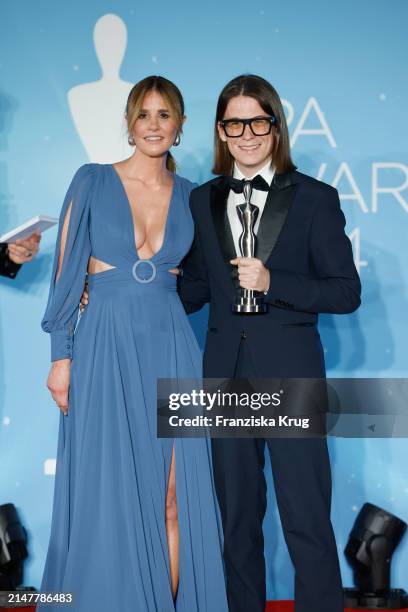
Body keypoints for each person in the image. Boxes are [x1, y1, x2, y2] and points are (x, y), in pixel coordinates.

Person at [39, 76, 228, 612]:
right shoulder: (93, 180)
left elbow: (206, 278)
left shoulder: (195, 195)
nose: (153, 125)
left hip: (172, 344)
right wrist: (61, 357)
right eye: (143, 115)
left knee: (175, 497)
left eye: (164, 115)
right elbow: (65, 273)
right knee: (110, 499)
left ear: (180, 125)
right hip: (103, 344)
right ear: (128, 123)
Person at [177, 74, 361, 612]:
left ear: (275, 127)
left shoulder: (315, 199)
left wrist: (273, 283)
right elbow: (191, 288)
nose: (247, 134)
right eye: (235, 123)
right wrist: (123, 292)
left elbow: (346, 292)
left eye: (258, 121)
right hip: (225, 373)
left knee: (306, 516)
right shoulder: (199, 200)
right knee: (236, 520)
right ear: (220, 130)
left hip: (292, 373)